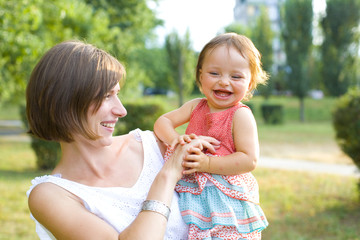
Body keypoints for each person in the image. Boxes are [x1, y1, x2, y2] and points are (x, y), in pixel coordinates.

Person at [25, 40, 218, 239]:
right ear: (65, 101)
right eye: (106, 96)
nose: (121, 110)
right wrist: (167, 176)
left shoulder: (155, 147)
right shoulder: (51, 196)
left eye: (117, 94)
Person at [154, 33, 269, 240]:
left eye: (236, 77)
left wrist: (206, 162)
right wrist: (176, 140)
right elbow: (162, 122)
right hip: (191, 190)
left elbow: (248, 159)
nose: (224, 82)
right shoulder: (195, 106)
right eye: (214, 73)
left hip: (225, 198)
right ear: (200, 76)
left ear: (250, 83)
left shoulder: (240, 115)